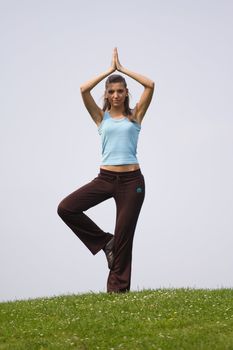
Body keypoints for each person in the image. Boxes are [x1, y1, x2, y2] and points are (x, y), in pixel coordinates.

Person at [57, 48, 154, 293]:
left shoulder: (135, 116)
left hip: (133, 182)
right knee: (66, 208)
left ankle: (116, 295)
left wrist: (122, 70)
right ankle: (104, 242)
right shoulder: (101, 118)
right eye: (111, 91)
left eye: (120, 91)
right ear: (107, 95)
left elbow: (150, 85)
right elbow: (83, 89)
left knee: (124, 238)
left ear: (126, 93)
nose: (116, 95)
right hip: (106, 178)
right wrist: (109, 71)